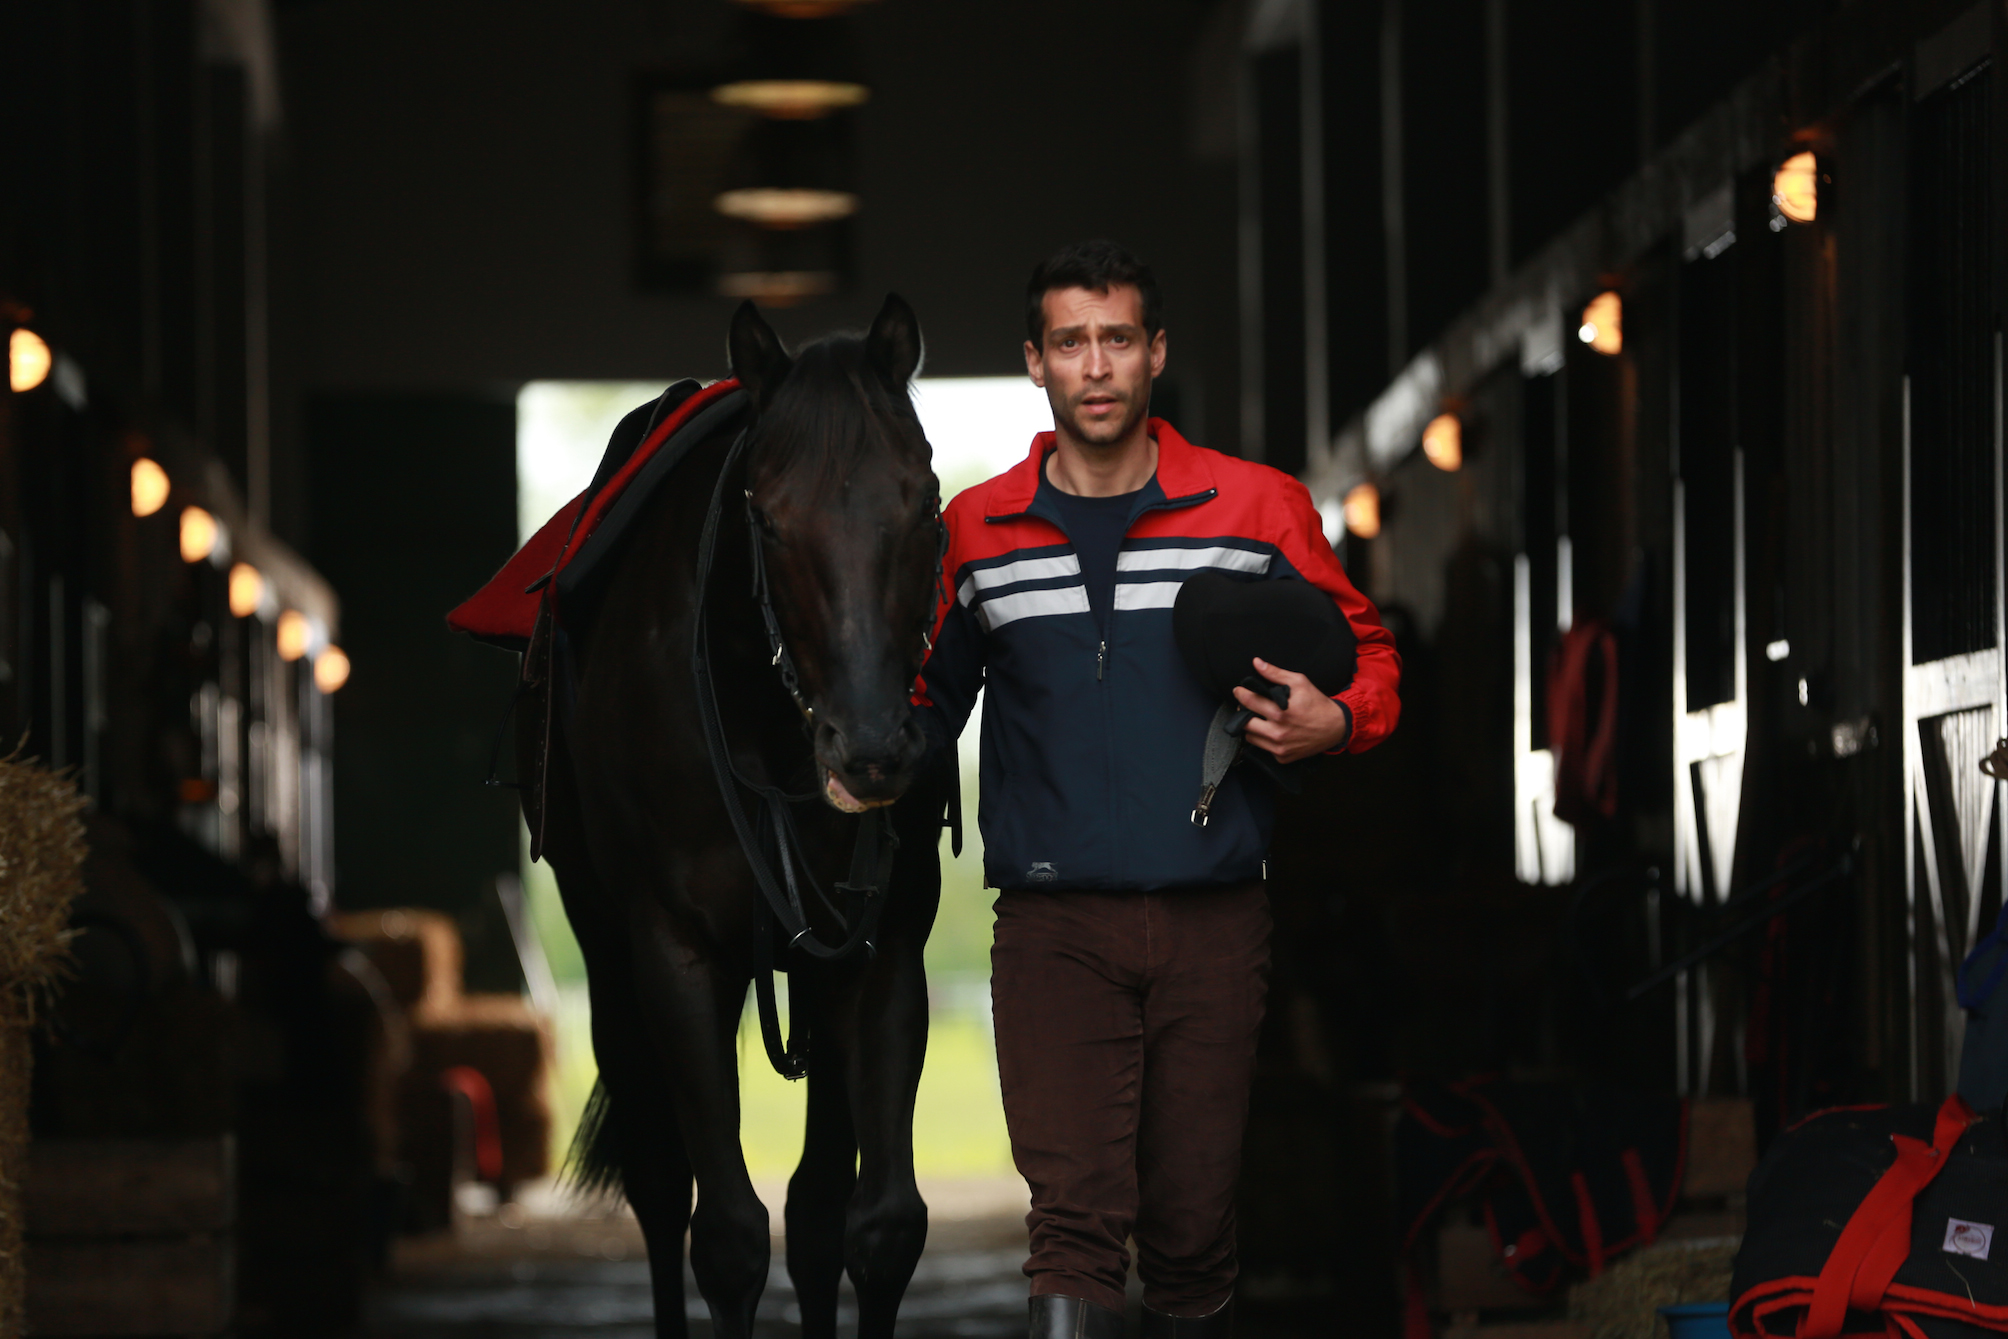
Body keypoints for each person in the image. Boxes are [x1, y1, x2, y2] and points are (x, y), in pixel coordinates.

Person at [914, 240, 1401, 1339]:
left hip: (1213, 920)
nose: (1096, 366)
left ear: (1156, 353)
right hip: (1051, 928)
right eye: (1070, 342)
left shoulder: (1256, 507)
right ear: (1034, 360)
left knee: (1190, 1230)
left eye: (1118, 339)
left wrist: (1336, 721)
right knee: (1073, 1222)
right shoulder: (974, 532)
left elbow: (1368, 659)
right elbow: (917, 706)